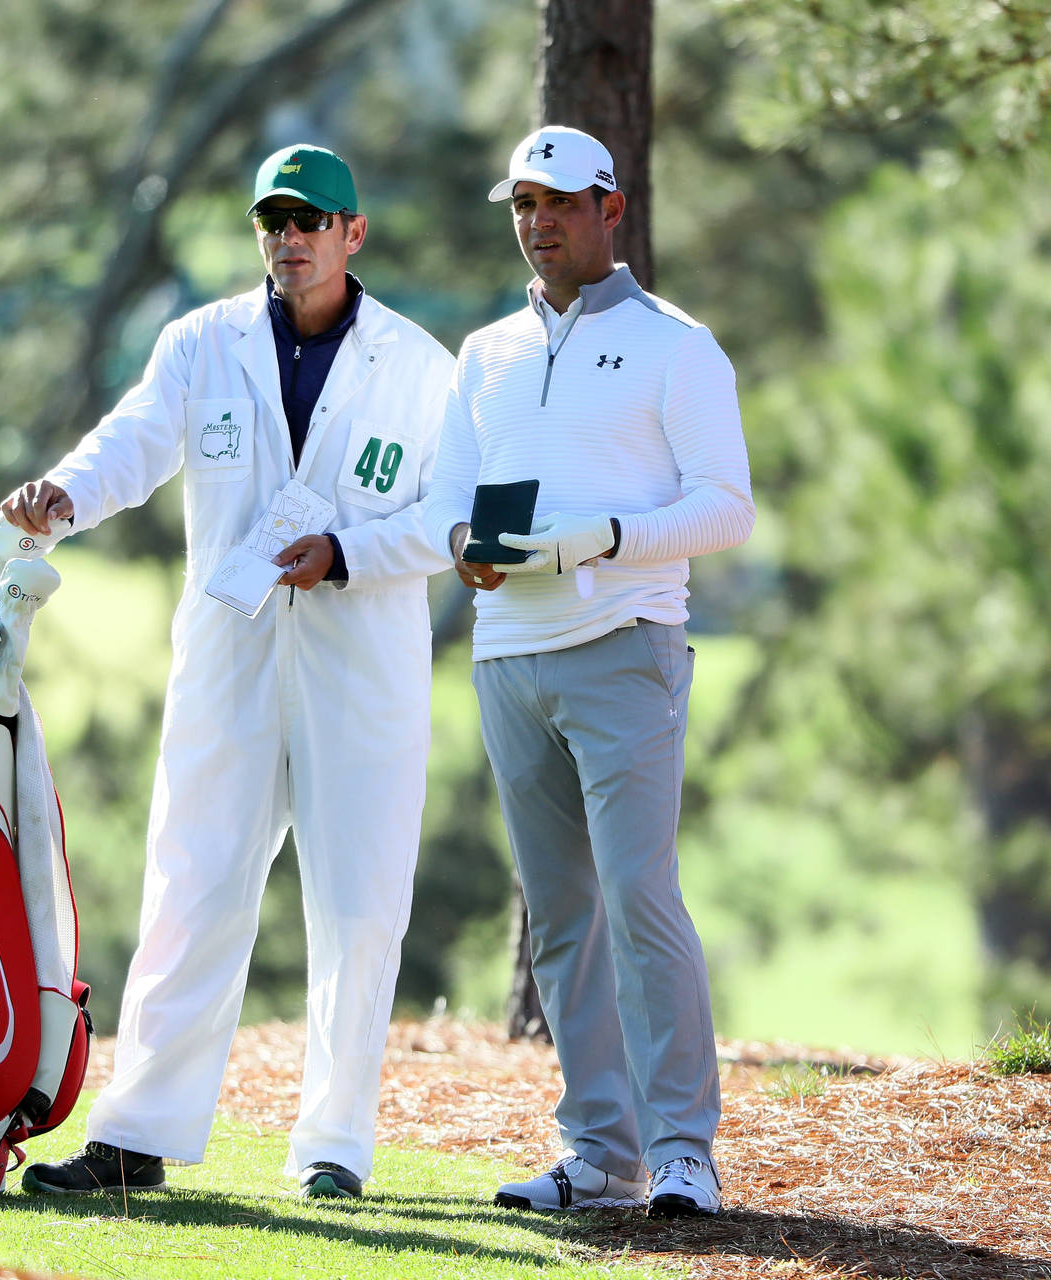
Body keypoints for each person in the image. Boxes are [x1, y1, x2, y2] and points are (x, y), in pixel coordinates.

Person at [3, 143, 455, 1199]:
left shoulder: (420, 367)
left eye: (311, 221)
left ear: (354, 234)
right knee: (190, 883)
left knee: (358, 905)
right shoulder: (201, 343)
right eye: (273, 221)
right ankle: (136, 1132)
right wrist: (63, 497)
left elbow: (450, 517)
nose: (289, 240)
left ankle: (335, 1145)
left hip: (361, 667)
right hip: (229, 657)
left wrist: (350, 551)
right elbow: (133, 442)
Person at [423, 125, 755, 1218]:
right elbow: (447, 503)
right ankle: (600, 1151)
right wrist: (468, 544)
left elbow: (725, 505)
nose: (538, 221)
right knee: (561, 914)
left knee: (640, 895)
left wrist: (604, 535)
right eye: (522, 203)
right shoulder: (485, 353)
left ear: (612, 209)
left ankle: (682, 1152)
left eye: (560, 201)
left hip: (625, 648)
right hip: (509, 657)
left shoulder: (675, 343)